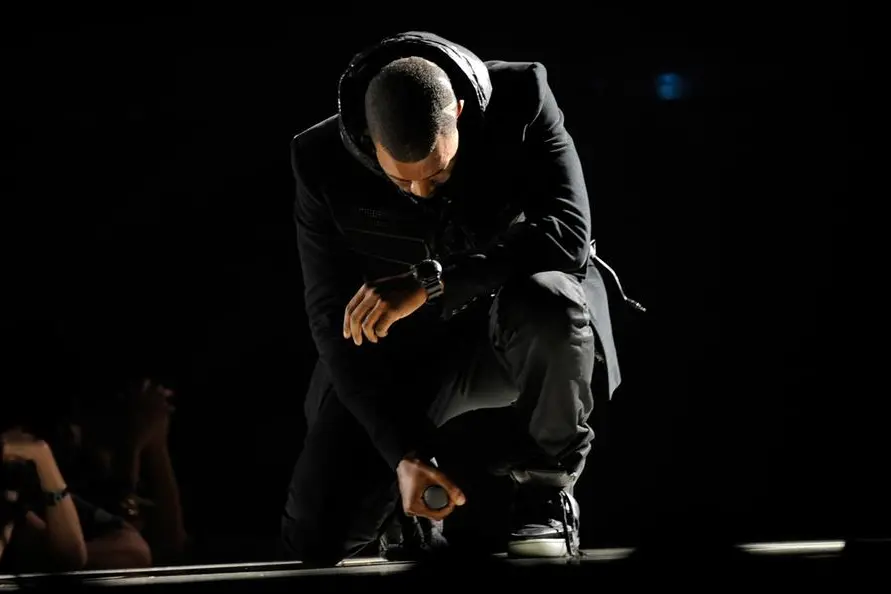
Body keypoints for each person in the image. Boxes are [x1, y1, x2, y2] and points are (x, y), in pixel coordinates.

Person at [281, 31, 629, 566]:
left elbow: (568, 233)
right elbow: (331, 321)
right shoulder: (318, 158)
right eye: (402, 182)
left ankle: (546, 491)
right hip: (409, 352)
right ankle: (408, 512)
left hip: (514, 327)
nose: (424, 191)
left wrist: (433, 282)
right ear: (367, 141)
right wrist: (402, 453)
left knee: (551, 300)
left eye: (439, 171)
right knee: (317, 537)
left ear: (460, 114)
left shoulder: (523, 96)